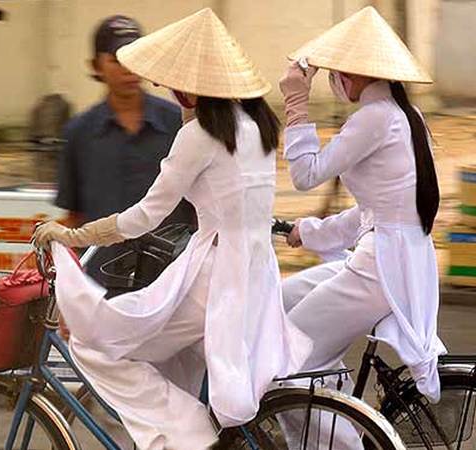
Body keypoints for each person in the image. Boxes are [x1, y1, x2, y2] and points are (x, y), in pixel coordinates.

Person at [34, 8, 311, 449]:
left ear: (191, 86)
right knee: (168, 358)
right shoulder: (255, 126)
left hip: (213, 280)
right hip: (255, 277)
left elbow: (145, 215)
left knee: (100, 345)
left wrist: (73, 236)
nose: (164, 88)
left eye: (174, 82)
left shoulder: (200, 134)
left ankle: (191, 435)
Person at [276, 6, 448, 446]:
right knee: (279, 299)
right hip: (389, 259)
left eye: (335, 72)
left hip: (380, 267)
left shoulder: (375, 118)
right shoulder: (406, 117)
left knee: (285, 368)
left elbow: (305, 173)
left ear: (353, 74)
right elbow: (372, 212)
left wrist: (296, 102)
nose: (333, 81)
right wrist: (307, 232)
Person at [54, 15, 196, 288]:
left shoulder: (179, 123)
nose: (129, 68)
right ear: (96, 66)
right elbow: (73, 216)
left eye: (136, 57)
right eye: (117, 59)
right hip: (101, 282)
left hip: (171, 279)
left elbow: (199, 207)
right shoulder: (79, 133)